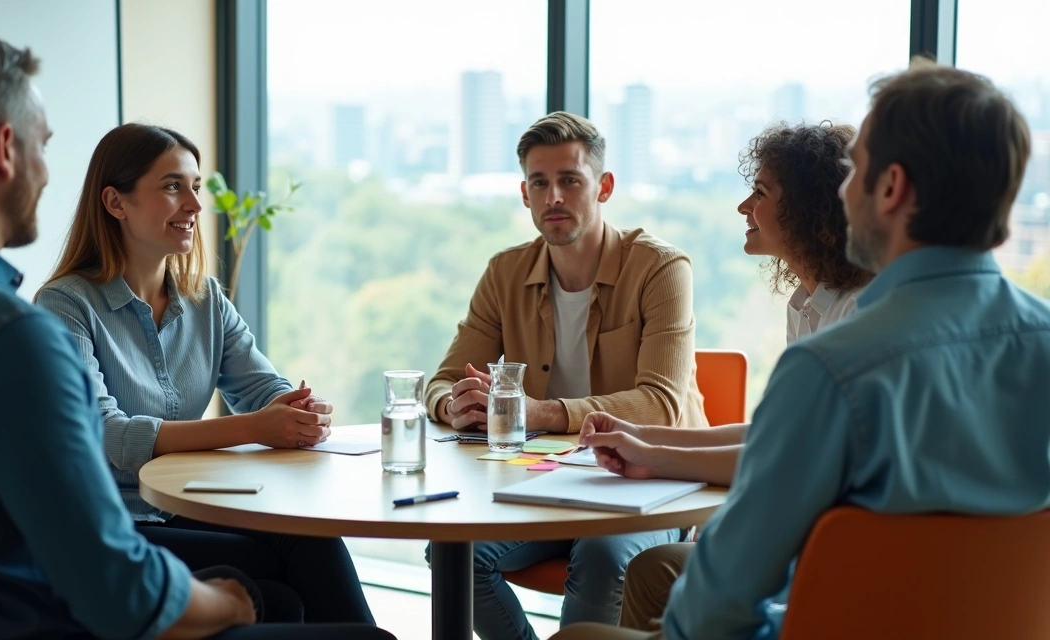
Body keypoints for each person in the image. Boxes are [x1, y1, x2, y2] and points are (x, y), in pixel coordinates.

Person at [0, 30, 391, 640]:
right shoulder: (10, 339)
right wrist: (230, 602)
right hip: (56, 623)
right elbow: (119, 590)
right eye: (43, 146)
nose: (47, 174)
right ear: (4, 148)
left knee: (287, 580)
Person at [565, 60, 1050, 640]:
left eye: (857, 171)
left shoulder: (833, 369)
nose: (843, 193)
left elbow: (718, 604)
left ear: (891, 188)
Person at [34, 122, 376, 626]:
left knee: (306, 543)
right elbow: (105, 435)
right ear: (115, 202)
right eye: (174, 186)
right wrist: (255, 427)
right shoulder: (65, 305)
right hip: (109, 525)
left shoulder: (205, 299)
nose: (195, 205)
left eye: (196, 186)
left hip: (188, 504)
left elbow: (263, 388)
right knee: (271, 576)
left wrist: (295, 409)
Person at [572, 121, 872, 629]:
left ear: (809, 207)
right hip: (807, 536)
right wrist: (643, 437)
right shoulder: (808, 306)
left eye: (760, 192)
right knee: (653, 571)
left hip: (826, 554)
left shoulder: (855, 314)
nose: (743, 207)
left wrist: (655, 454)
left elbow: (787, 456)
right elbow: (780, 434)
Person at [423, 111, 707, 640]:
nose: (554, 196)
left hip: (647, 480)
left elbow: (661, 405)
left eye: (570, 180)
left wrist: (537, 412)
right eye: (540, 183)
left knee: (602, 553)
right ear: (525, 194)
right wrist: (454, 403)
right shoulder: (504, 272)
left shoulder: (661, 269)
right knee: (452, 554)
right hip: (545, 478)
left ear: (604, 186)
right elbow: (439, 382)